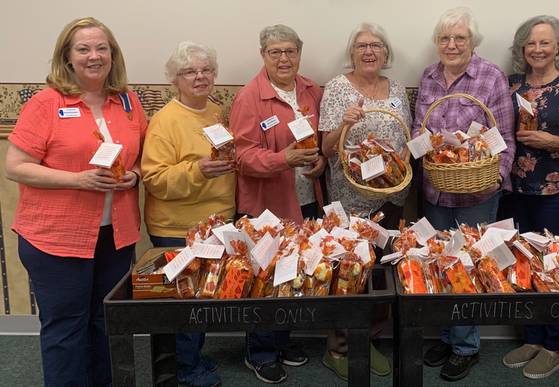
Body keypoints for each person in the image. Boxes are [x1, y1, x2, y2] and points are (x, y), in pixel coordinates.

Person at [4, 17, 146, 386]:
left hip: (114, 236)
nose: (94, 56)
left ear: (113, 56)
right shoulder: (46, 103)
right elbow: (15, 166)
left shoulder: (128, 102)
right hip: (56, 239)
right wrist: (77, 180)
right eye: (83, 49)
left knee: (105, 322)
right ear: (67, 57)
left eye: (102, 48)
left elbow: (145, 155)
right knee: (67, 328)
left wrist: (136, 175)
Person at [415, 7, 515, 382]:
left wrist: (497, 179)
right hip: (435, 190)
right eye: (445, 38)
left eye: (460, 38)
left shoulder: (491, 77)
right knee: (439, 262)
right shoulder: (428, 76)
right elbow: (417, 130)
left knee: (469, 267)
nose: (452, 45)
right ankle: (445, 334)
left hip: (478, 191)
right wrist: (426, 151)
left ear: (473, 42)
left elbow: (504, 138)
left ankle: (465, 346)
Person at [499, 15, 559, 380]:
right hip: (514, 190)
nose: (537, 49)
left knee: (553, 266)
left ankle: (555, 346)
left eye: (545, 42)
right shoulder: (512, 85)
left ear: (558, 46)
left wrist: (551, 142)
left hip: (557, 191)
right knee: (522, 264)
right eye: (530, 43)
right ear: (521, 49)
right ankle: (533, 339)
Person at [229, 24, 323, 384]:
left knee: (294, 275)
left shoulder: (310, 90)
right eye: (275, 52)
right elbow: (243, 157)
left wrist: (319, 163)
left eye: (290, 51)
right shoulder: (249, 97)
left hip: (305, 201)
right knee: (265, 281)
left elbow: (318, 142)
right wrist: (283, 159)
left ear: (299, 53)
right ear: (263, 55)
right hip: (267, 205)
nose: (284, 59)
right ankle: (261, 351)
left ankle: (283, 341)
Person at [318, 22, 410, 380]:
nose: (369, 51)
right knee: (348, 272)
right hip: (350, 197)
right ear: (351, 53)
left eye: (376, 45)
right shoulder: (338, 89)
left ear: (386, 53)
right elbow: (326, 149)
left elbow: (406, 138)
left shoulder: (398, 88)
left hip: (392, 194)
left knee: (382, 270)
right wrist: (344, 123)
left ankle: (368, 339)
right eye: (361, 46)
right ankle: (337, 347)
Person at [141, 41, 235, 387]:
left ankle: (191, 357)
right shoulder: (165, 121)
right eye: (190, 72)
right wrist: (198, 171)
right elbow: (154, 179)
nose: (200, 77)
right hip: (177, 227)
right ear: (174, 80)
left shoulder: (215, 110)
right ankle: (182, 372)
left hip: (216, 222)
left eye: (206, 70)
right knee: (185, 302)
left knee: (202, 296)